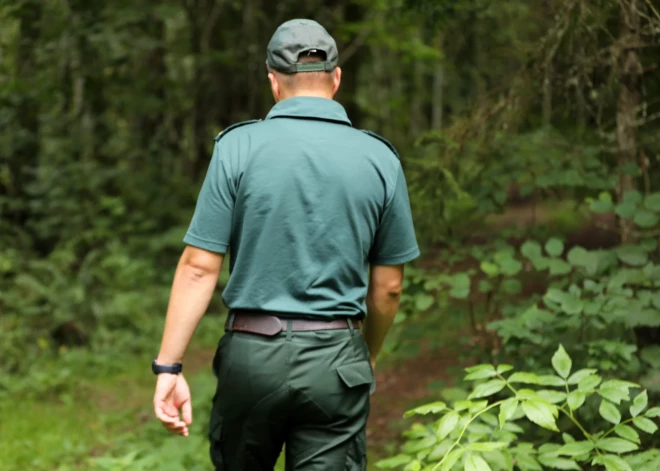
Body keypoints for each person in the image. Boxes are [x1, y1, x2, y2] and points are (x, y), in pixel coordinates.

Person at [152, 18, 419, 471]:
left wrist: (169, 369)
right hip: (337, 360)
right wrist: (365, 354)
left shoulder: (237, 147)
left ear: (273, 82)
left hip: (251, 359)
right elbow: (389, 286)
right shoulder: (380, 158)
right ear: (337, 78)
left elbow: (198, 267)